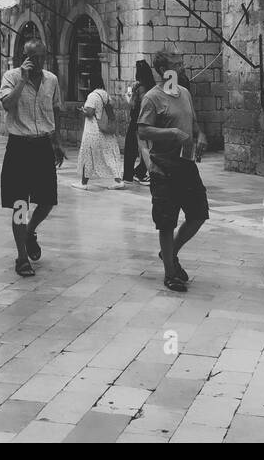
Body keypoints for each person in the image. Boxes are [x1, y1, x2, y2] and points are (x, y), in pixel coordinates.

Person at [138, 47, 209, 293]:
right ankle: (170, 273)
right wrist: (171, 133)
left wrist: (201, 136)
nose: (181, 68)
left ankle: (170, 253)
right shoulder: (152, 98)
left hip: (187, 165)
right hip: (163, 168)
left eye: (181, 63)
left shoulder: (186, 93)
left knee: (199, 214)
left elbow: (194, 123)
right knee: (166, 222)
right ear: (161, 70)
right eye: (175, 65)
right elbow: (143, 131)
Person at [0, 39, 64, 278]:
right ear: (22, 56)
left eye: (41, 57)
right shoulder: (11, 77)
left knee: (48, 200)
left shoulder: (52, 80)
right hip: (19, 147)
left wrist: (56, 142)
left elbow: (55, 109)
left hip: (43, 146)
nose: (37, 62)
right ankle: (21, 256)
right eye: (32, 57)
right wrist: (23, 81)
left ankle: (30, 230)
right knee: (19, 205)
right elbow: (6, 105)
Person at [74, 71, 123, 189]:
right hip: (105, 130)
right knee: (109, 155)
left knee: (88, 155)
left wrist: (82, 110)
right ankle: (118, 181)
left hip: (93, 130)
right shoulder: (105, 94)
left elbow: (90, 113)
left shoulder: (92, 95)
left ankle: (83, 183)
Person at [123, 60, 155, 185]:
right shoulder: (152, 85)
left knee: (136, 148)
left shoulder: (138, 86)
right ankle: (141, 173)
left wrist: (127, 96)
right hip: (149, 119)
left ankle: (131, 175)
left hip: (137, 120)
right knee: (148, 147)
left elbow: (132, 104)